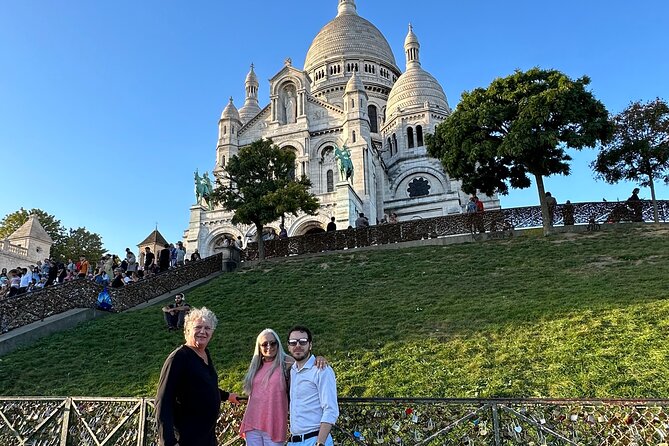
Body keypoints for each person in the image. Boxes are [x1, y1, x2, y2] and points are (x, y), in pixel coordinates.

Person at [155, 307, 239, 446]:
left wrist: (226, 396)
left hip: (206, 437)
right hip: (186, 438)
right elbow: (163, 400)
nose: (203, 331)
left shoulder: (205, 354)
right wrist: (168, 442)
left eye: (207, 328)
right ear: (187, 330)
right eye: (198, 327)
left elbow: (201, 387)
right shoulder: (179, 358)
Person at [240, 329, 328, 446]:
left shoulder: (287, 362)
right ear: (259, 347)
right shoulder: (256, 365)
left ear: (278, 344)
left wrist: (319, 358)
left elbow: (305, 362)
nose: (269, 347)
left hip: (274, 423)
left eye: (273, 343)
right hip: (252, 422)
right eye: (264, 344)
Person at [286, 325, 338, 446]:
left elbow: (331, 409)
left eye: (303, 342)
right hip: (294, 441)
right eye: (293, 342)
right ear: (288, 347)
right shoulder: (292, 370)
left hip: (315, 440)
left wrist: (320, 442)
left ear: (310, 345)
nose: (298, 345)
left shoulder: (321, 370)